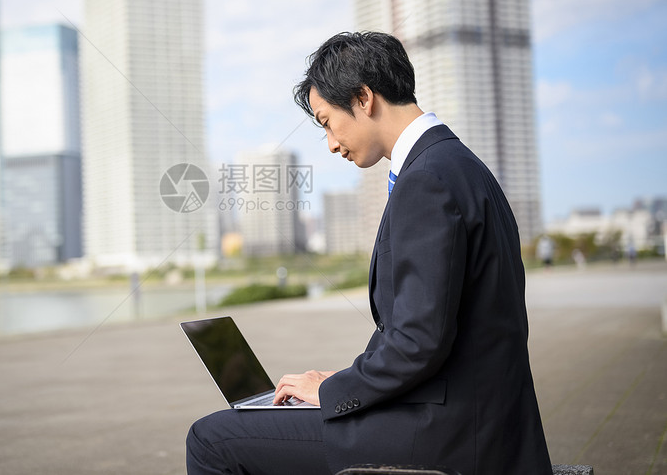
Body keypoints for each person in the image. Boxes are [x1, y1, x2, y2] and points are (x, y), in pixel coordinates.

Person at [186, 32, 552, 474]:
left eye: (326, 122)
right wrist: (338, 383)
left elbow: (418, 342)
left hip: (446, 433)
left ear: (363, 98)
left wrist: (335, 392)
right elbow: (432, 332)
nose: (331, 144)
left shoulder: (427, 181)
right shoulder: (461, 165)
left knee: (211, 439)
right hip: (483, 421)